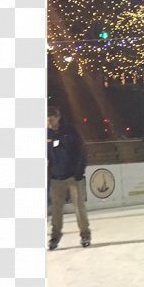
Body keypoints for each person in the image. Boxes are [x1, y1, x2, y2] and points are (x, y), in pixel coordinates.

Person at [47, 105, 91, 249]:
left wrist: (79, 172)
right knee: (56, 210)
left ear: (58, 117)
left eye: (51, 120)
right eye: (47, 121)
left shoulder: (70, 131)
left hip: (73, 177)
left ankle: (85, 234)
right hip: (56, 178)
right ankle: (55, 237)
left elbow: (82, 151)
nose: (49, 123)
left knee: (79, 207)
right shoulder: (47, 134)